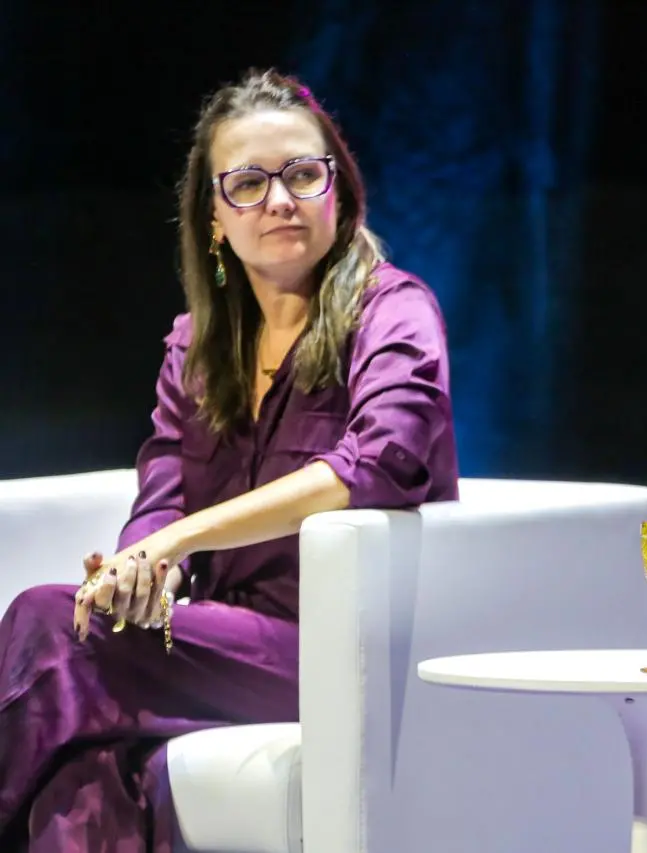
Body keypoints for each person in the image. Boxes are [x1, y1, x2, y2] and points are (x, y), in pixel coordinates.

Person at [0, 69, 459, 851]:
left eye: (302, 175)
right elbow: (163, 492)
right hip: (212, 637)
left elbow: (377, 463)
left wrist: (178, 544)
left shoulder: (394, 310)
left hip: (338, 646)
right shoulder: (195, 347)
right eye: (247, 183)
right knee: (91, 759)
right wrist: (144, 573)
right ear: (213, 216)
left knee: (49, 621)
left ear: (338, 189)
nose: (279, 200)